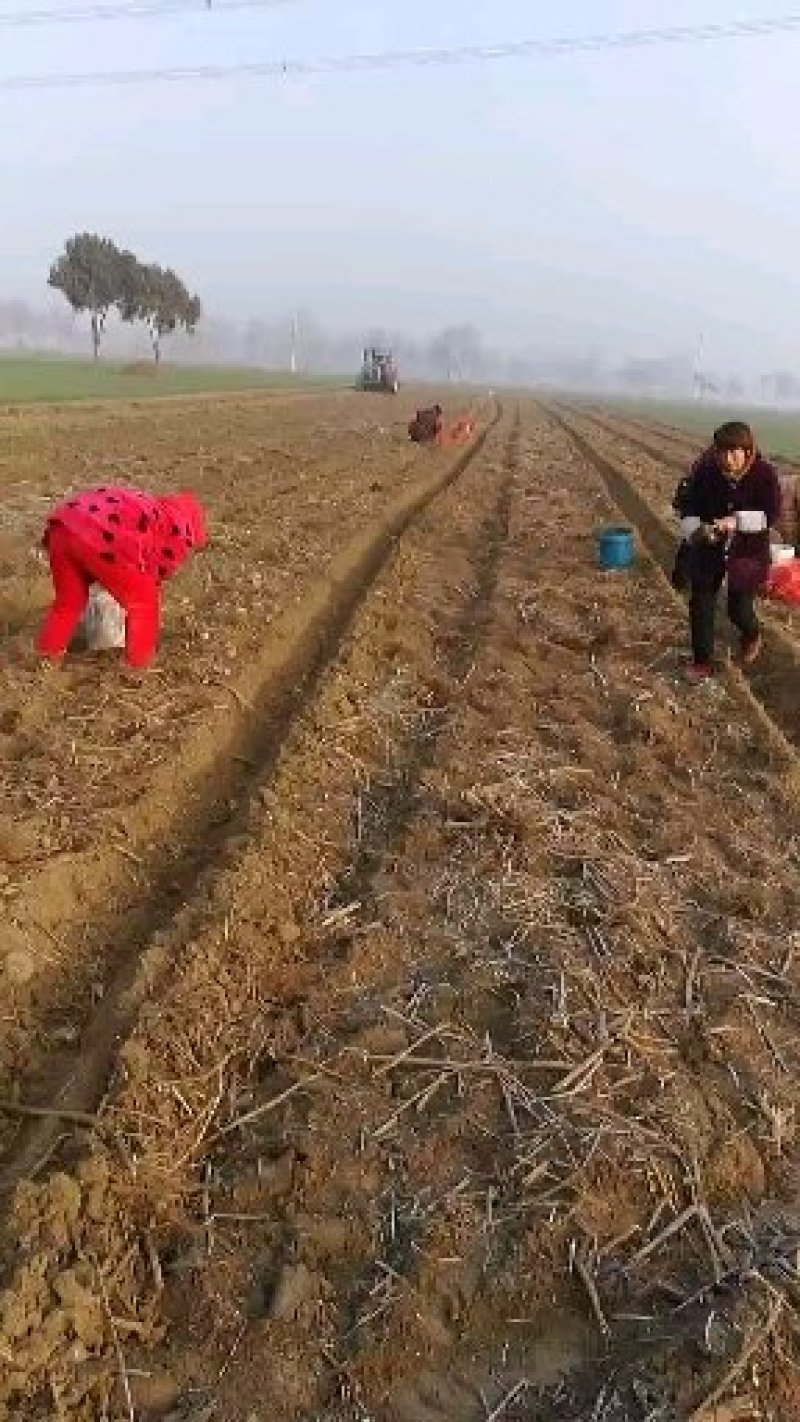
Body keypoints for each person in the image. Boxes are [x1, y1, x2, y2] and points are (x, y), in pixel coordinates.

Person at [35, 485, 207, 669]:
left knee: (69, 602)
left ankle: (47, 657)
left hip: (63, 526)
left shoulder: (146, 508)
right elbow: (158, 568)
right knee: (144, 603)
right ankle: (137, 667)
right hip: (100, 532)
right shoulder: (177, 527)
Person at [679, 421, 781, 684]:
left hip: (748, 549)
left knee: (739, 609)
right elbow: (689, 505)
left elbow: (770, 515)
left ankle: (751, 633)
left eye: (734, 451)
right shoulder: (707, 471)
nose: (728, 458)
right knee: (701, 601)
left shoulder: (764, 474)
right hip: (709, 546)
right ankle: (702, 662)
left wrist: (736, 522)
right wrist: (694, 530)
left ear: (747, 451)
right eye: (722, 452)